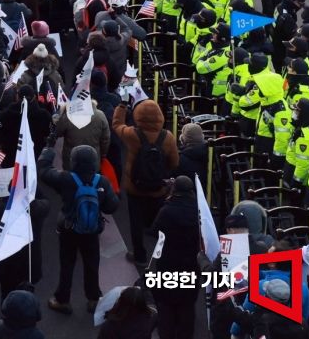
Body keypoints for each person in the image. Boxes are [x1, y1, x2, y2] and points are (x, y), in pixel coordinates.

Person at [38, 139, 119, 315]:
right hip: (92, 230)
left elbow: (44, 172)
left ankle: (62, 299)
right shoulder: (102, 181)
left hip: (68, 228)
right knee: (92, 263)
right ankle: (93, 299)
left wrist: (48, 150)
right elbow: (112, 206)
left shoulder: (66, 179)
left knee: (67, 263)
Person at [112, 97, 179, 267]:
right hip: (158, 189)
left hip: (135, 188)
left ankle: (140, 256)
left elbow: (117, 125)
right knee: (159, 224)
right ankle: (161, 258)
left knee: (136, 224)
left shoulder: (132, 134)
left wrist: (122, 105)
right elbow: (174, 163)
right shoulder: (168, 137)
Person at [150, 176, 200, 339]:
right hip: (191, 264)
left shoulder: (167, 210)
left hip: (168, 263)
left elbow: (155, 231)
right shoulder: (198, 211)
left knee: (166, 305)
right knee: (187, 306)